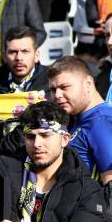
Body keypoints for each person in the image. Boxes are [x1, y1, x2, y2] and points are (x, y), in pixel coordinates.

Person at [48, 56, 112, 184]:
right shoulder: (79, 118)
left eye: (64, 87)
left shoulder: (101, 121)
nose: (57, 95)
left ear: (88, 84)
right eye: (53, 90)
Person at [0, 25, 48, 94]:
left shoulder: (51, 81)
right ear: (4, 56)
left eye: (25, 52)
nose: (18, 58)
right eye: (13, 52)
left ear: (36, 56)